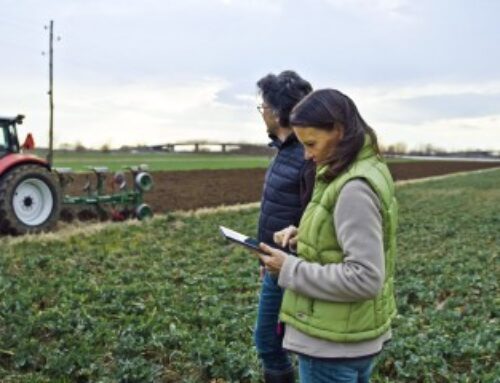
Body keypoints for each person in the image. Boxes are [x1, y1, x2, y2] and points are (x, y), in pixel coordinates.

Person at [258, 89, 398, 383]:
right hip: (347, 336)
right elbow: (349, 235)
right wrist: (306, 234)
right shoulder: (359, 169)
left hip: (332, 347)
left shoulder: (353, 187)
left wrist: (289, 268)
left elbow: (365, 277)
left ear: (339, 130)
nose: (307, 155)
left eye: (311, 143)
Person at [254, 70, 315, 383]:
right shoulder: (284, 152)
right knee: (275, 340)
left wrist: (288, 261)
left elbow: (315, 219)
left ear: (277, 113)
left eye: (263, 107)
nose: (262, 113)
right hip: (276, 262)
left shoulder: (307, 157)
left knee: (269, 341)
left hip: (293, 266)